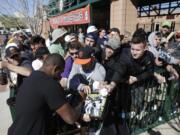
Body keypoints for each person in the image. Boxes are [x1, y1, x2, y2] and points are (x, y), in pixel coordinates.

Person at [8, 54, 82, 135]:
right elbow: (70, 118)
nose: (60, 76)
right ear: (55, 69)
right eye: (60, 72)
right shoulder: (50, 84)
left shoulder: (31, 77)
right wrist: (81, 101)